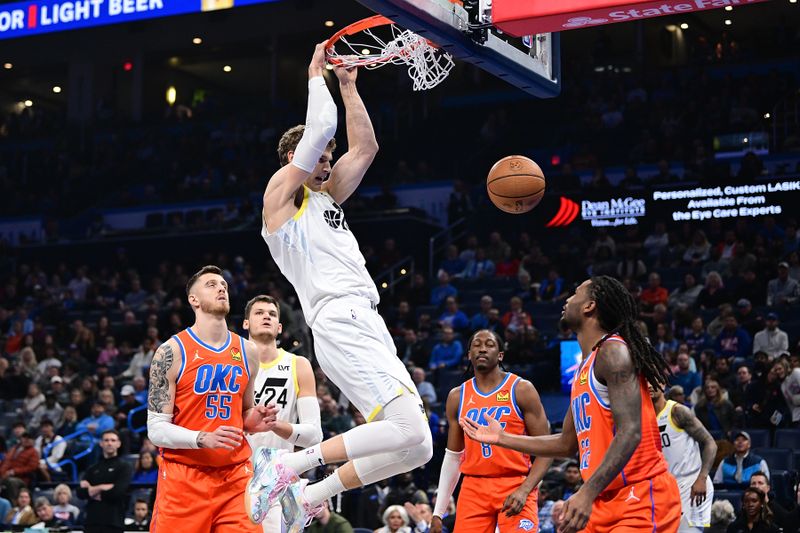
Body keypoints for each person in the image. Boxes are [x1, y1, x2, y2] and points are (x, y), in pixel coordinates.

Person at [249, 44, 432, 529]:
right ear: (295, 156)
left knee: (419, 445)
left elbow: (367, 148)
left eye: (331, 159)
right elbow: (322, 130)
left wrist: (349, 86)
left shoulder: (326, 199)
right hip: (337, 317)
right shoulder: (281, 197)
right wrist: (316, 77)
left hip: (365, 318)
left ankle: (316, 494)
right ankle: (285, 466)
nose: (329, 163)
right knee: (406, 426)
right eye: (321, 156)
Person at [462, 275, 681, 533]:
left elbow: (631, 431)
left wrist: (586, 492)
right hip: (603, 501)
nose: (568, 299)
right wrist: (502, 438)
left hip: (640, 496)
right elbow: (566, 444)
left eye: (576, 293)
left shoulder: (613, 352)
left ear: (590, 306)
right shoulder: (582, 371)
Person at [145, 265, 278, 532]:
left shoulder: (248, 351)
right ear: (193, 300)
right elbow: (156, 429)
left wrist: (254, 420)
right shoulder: (171, 352)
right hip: (185, 478)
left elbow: (244, 413)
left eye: (224, 285)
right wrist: (201, 437)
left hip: (235, 476)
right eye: (211, 285)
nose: (221, 288)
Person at [431, 330, 551, 533]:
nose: (482, 349)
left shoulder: (521, 389)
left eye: (489, 344)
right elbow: (453, 457)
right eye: (477, 345)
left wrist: (525, 489)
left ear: (501, 354)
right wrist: (438, 512)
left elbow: (546, 449)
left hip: (515, 482)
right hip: (473, 486)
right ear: (469, 354)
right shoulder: (457, 396)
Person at [242, 295, 322, 532]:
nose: (266, 315)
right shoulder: (230, 364)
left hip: (276, 483)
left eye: (272, 313)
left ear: (279, 327)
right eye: (258, 312)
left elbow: (314, 435)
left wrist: (276, 425)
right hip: (232, 476)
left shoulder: (298, 365)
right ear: (245, 323)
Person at [650, 382, 717, 532]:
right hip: (664, 488)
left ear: (661, 384)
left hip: (692, 484)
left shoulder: (677, 412)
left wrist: (702, 478)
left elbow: (710, 443)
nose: (648, 385)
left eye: (652, 380)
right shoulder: (641, 418)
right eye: (645, 381)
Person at [76, 430, 132, 533]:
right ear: (101, 443)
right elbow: (80, 492)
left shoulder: (124, 467)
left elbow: (117, 492)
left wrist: (92, 490)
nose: (109, 443)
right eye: (106, 440)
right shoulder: (93, 468)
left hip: (114, 523)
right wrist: (103, 487)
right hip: (91, 522)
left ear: (118, 444)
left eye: (113, 440)